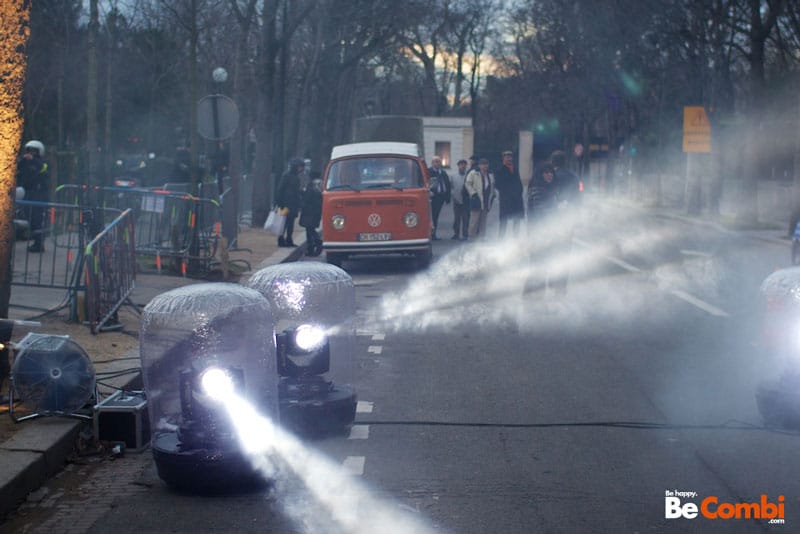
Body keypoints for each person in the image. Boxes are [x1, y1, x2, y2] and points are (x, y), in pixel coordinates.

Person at [16, 140, 50, 252]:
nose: (30, 153)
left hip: (39, 194)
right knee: (28, 217)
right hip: (27, 193)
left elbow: (43, 169)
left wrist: (33, 160)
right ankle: (31, 238)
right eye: (29, 151)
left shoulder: (42, 163)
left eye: (33, 151)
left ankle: (39, 243)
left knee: (37, 219)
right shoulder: (24, 162)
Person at [494, 150, 524, 238]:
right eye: (507, 157)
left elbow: (518, 182)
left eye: (510, 157)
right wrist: (507, 192)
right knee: (504, 220)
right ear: (503, 159)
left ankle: (515, 238)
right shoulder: (500, 170)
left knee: (517, 219)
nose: (509, 159)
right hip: (506, 199)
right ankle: (501, 239)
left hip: (517, 199)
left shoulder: (515, 169)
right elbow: (498, 184)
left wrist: (520, 191)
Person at [275, 158, 305, 247]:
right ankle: (281, 239)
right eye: (300, 167)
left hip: (293, 204)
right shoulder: (287, 176)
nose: (301, 169)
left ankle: (289, 239)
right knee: (284, 222)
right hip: (286, 203)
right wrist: (280, 202)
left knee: (290, 222)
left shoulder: (296, 177)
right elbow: (281, 189)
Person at [464, 158, 495, 239]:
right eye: (483, 164)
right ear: (479, 165)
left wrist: (493, 195)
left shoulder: (490, 174)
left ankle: (481, 237)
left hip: (486, 200)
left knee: (483, 221)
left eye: (486, 164)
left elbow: (492, 186)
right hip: (476, 199)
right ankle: (471, 237)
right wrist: (473, 193)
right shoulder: (474, 173)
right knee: (474, 221)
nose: (485, 166)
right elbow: (467, 183)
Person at [427, 156, 451, 240]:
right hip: (432, 197)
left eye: (439, 162)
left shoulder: (443, 172)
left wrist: (447, 197)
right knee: (431, 216)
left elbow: (447, 184)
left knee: (436, 216)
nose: (437, 163)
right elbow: (425, 183)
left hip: (440, 197)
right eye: (436, 162)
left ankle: (434, 234)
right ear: (432, 163)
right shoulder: (428, 172)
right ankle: (430, 234)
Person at [299, 174, 323, 257]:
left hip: (309, 213)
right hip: (315, 213)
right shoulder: (318, 189)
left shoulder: (310, 189)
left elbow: (306, 201)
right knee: (310, 230)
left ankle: (316, 244)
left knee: (309, 230)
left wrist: (302, 203)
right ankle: (312, 247)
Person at [450, 158, 469, 240]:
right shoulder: (453, 176)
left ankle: (465, 234)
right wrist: (453, 196)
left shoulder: (468, 176)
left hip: (466, 201)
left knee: (466, 218)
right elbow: (451, 188)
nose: (463, 166)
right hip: (456, 200)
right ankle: (456, 233)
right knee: (457, 218)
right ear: (458, 166)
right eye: (461, 164)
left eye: (464, 164)